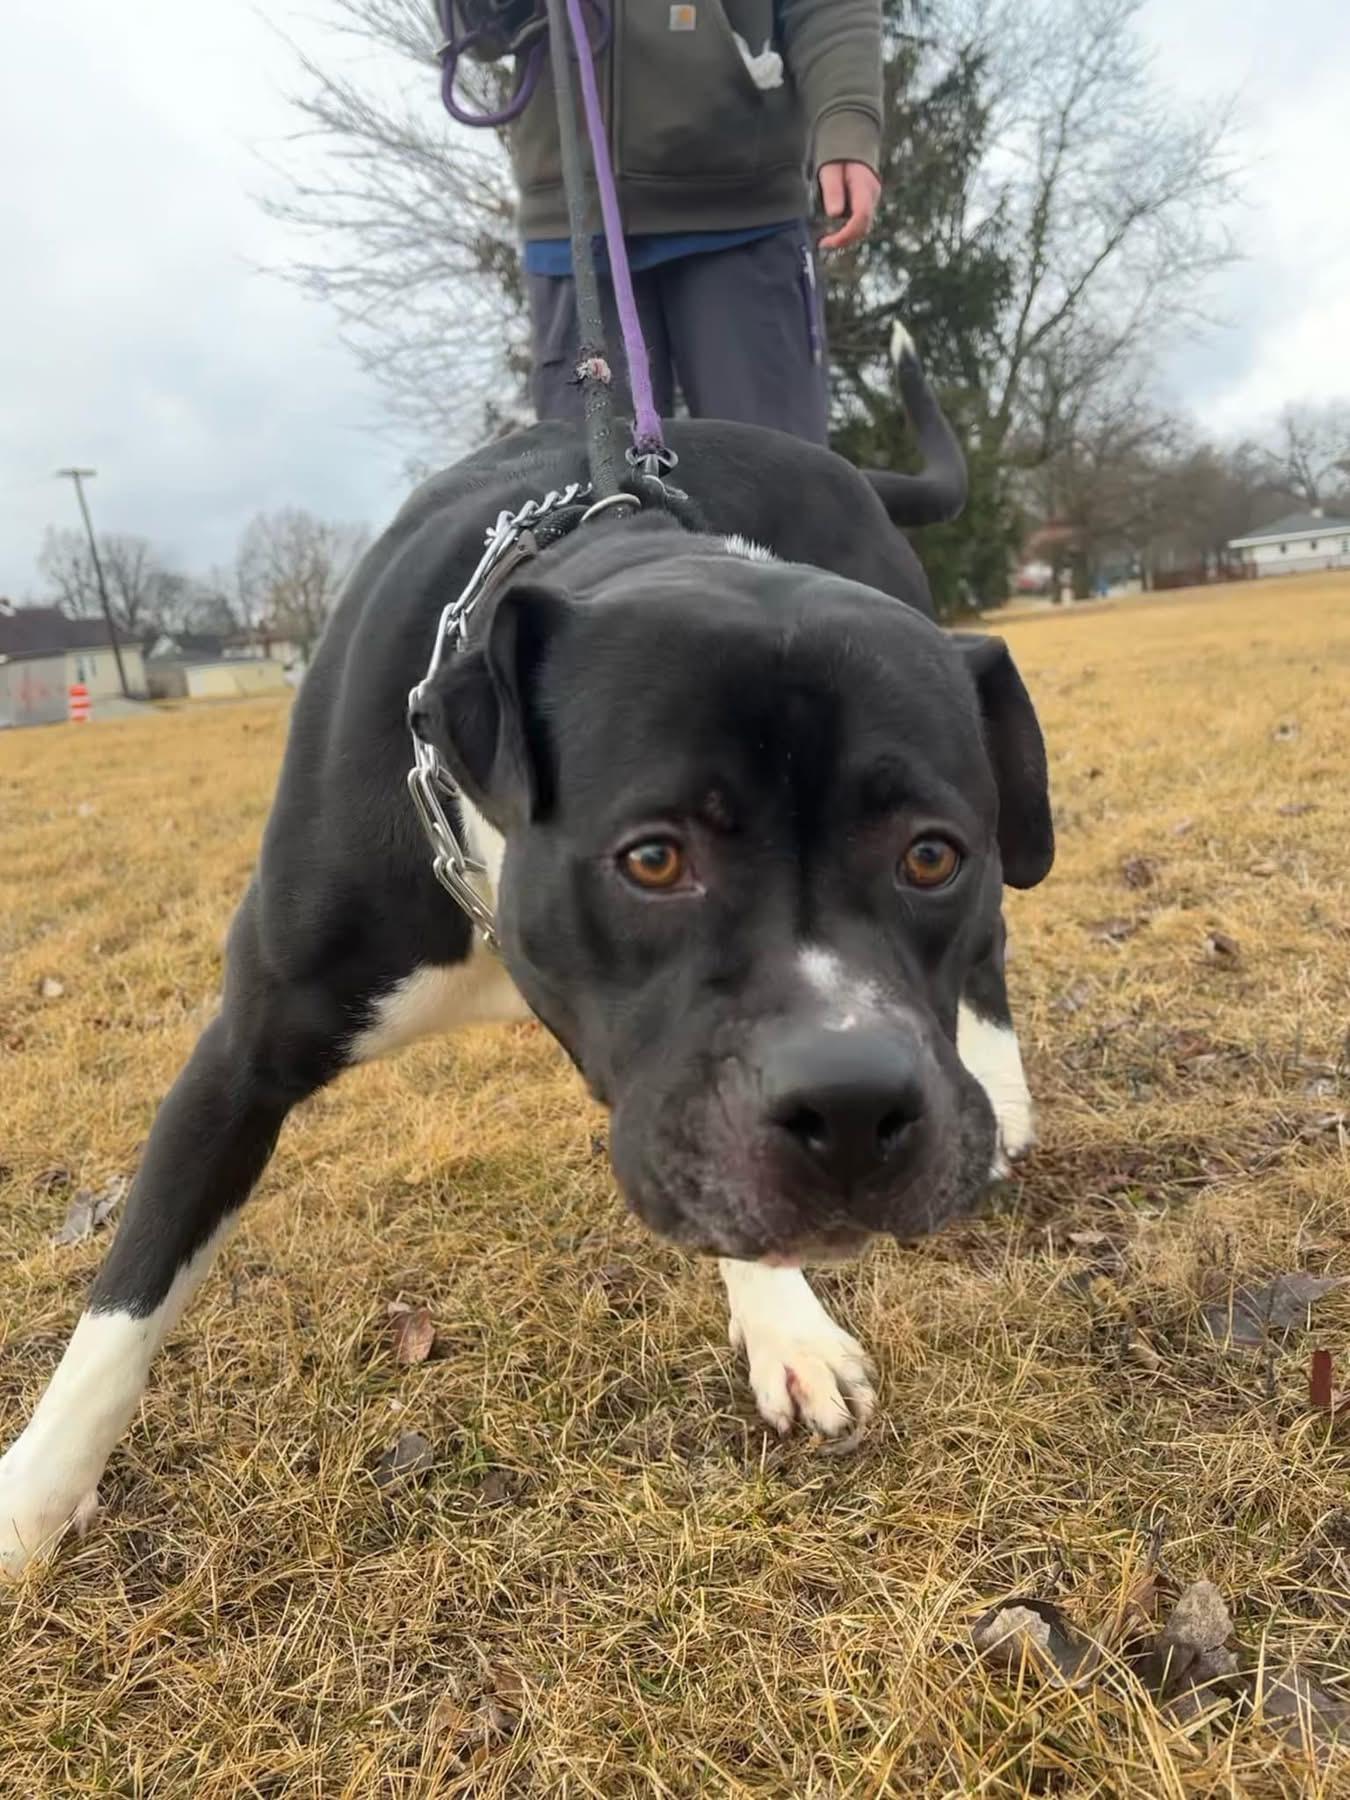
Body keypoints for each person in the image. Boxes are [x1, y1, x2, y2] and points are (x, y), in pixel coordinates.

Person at [508, 0, 883, 445]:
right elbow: (483, 29)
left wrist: (847, 118)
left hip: (744, 214)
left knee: (772, 492)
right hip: (570, 228)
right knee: (594, 501)